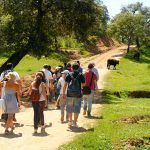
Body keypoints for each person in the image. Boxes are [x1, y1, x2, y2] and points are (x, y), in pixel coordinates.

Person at [63, 63, 85, 128]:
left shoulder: (69, 74)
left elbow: (65, 85)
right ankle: (75, 122)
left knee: (69, 107)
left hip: (69, 94)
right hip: (78, 94)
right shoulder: (81, 75)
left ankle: (70, 121)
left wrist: (64, 93)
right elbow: (83, 85)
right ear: (78, 68)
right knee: (76, 108)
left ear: (71, 68)